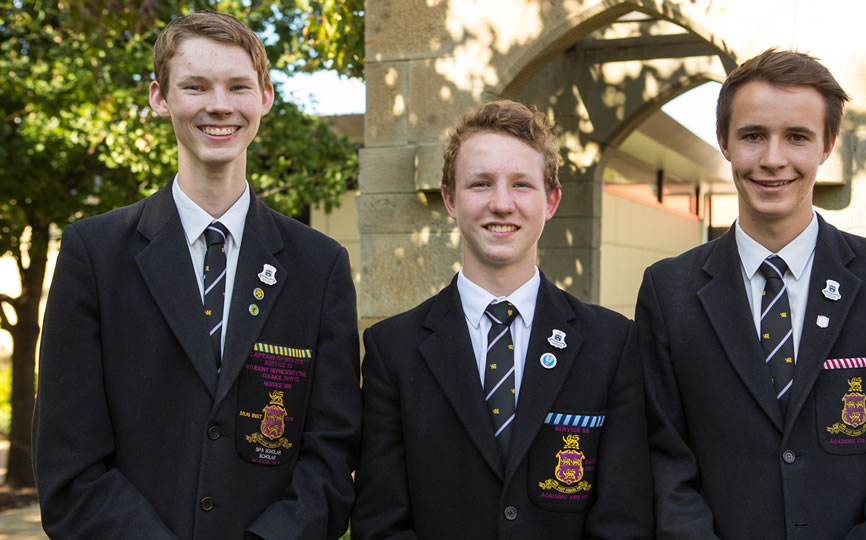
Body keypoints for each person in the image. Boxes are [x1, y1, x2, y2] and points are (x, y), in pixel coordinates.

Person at [32, 11, 360, 539]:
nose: (219, 105)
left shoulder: (319, 266)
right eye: (195, 86)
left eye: (238, 86)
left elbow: (332, 453)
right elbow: (68, 463)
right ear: (160, 97)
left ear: (265, 98)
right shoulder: (92, 255)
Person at [636, 48, 866, 539]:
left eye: (796, 137)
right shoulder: (668, 291)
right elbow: (663, 462)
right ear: (723, 141)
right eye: (752, 136)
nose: (772, 159)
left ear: (827, 144)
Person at [351, 100, 653, 539]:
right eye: (480, 183)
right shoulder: (391, 349)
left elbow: (624, 520)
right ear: (450, 199)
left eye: (521, 184)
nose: (501, 203)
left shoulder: (613, 344)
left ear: (551, 201)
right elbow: (380, 521)